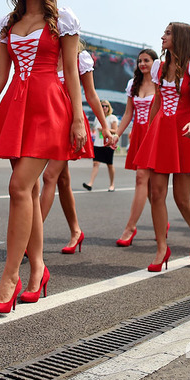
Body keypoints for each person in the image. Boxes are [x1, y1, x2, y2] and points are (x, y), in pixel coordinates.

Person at [0, 0, 88, 313]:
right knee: (30, 191)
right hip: (17, 106)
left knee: (19, 187)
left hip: (49, 106)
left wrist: (79, 119)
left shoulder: (61, 20)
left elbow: (70, 71)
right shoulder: (9, 24)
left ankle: (10, 277)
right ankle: (38, 269)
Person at [133, 22, 190, 270]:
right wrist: (150, 129)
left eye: (168, 33)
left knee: (182, 198)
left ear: (180, 37)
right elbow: (157, 102)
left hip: (185, 131)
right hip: (162, 131)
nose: (162, 36)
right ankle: (162, 248)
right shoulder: (159, 67)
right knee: (156, 193)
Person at [41, 51, 113, 253]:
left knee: (49, 176)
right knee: (62, 180)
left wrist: (104, 126)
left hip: (70, 123)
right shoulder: (46, 53)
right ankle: (76, 231)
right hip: (49, 121)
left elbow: (90, 94)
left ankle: (29, 238)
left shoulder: (80, 57)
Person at [113, 48, 157, 246]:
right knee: (143, 181)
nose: (142, 64)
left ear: (155, 63)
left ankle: (140, 225)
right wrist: (116, 134)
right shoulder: (133, 84)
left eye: (146, 60)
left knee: (154, 187)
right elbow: (128, 114)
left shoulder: (161, 84)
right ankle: (136, 226)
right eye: (140, 61)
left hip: (156, 137)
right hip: (139, 136)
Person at [84, 99, 118, 191]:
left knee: (109, 164)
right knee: (95, 163)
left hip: (108, 144)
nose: (104, 108)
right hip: (98, 144)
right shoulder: (97, 117)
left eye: (106, 106)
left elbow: (116, 130)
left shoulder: (112, 118)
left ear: (109, 107)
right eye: (102, 106)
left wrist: (105, 129)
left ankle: (112, 184)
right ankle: (90, 183)